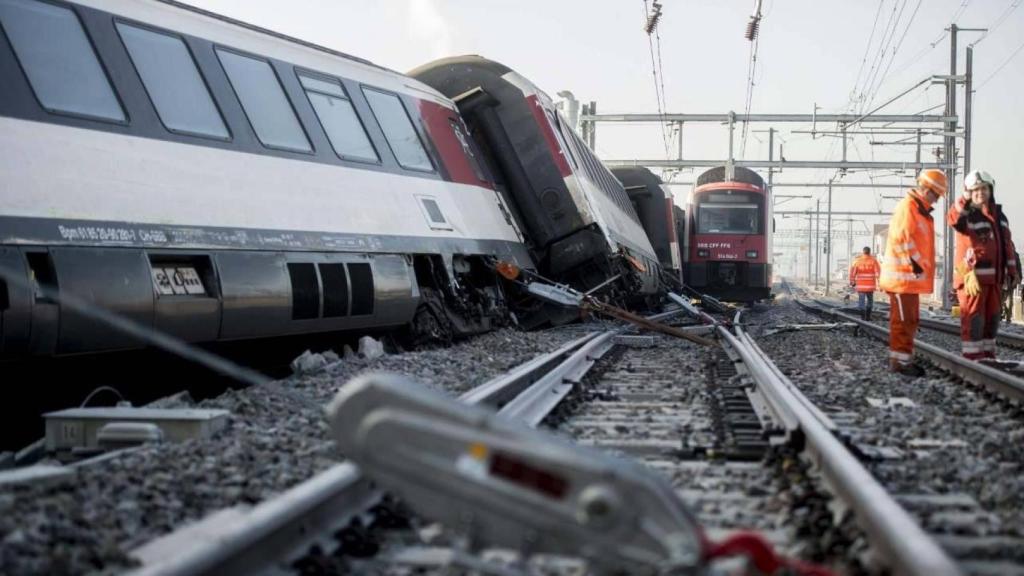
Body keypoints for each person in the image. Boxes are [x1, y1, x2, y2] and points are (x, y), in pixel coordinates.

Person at [879, 169, 946, 377]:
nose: (935, 200)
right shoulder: (908, 207)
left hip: (909, 280)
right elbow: (902, 239)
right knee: (902, 321)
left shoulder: (919, 210)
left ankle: (903, 359)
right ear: (925, 188)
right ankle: (899, 362)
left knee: (911, 319)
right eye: (935, 194)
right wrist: (915, 263)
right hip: (901, 278)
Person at [947, 170, 1018, 360]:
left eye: (984, 188)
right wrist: (964, 197)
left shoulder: (999, 217)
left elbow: (1007, 246)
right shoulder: (966, 215)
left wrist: (1012, 271)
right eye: (975, 190)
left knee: (992, 319)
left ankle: (988, 355)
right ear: (969, 192)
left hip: (994, 280)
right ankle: (973, 358)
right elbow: (953, 217)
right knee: (974, 320)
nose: (980, 193)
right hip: (972, 279)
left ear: (991, 189)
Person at [849, 246, 881, 320]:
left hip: (861, 287)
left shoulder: (857, 261)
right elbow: (878, 273)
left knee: (861, 302)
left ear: (863, 252)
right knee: (870, 301)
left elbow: (852, 273)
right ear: (869, 252)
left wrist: (852, 282)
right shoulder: (873, 261)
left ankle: (863, 317)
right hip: (870, 286)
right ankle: (868, 317)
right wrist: (879, 284)